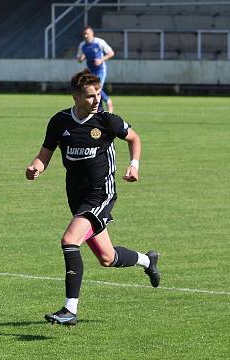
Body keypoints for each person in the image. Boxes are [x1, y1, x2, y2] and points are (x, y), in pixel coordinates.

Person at [25, 70, 160, 326]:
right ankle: (147, 260)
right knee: (107, 258)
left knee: (69, 240)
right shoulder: (59, 122)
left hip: (101, 194)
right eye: (90, 96)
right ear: (75, 97)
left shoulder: (107, 120)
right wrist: (35, 168)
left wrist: (134, 165)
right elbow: (44, 155)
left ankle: (70, 310)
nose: (96, 100)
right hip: (76, 197)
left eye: (98, 94)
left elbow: (134, 138)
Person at [77, 26, 115, 112]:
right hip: (90, 71)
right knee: (94, 90)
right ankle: (100, 110)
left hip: (100, 70)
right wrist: (81, 58)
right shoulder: (82, 45)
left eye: (87, 34)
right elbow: (79, 59)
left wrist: (101, 60)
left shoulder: (99, 42)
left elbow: (111, 53)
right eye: (84, 34)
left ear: (92, 33)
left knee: (96, 88)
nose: (86, 36)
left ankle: (108, 101)